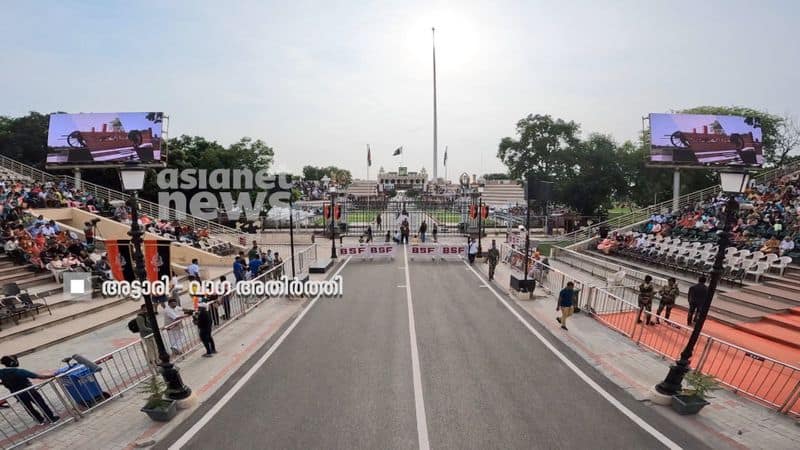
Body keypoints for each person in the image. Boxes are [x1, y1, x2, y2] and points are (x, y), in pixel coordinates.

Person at [0, 355, 60, 424]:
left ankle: (39, 420)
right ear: (12, 363)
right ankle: (51, 418)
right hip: (29, 391)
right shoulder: (19, 371)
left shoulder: (2, 372)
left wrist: (4, 383)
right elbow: (39, 376)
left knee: (28, 408)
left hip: (17, 394)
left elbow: (5, 381)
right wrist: (53, 375)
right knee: (41, 403)